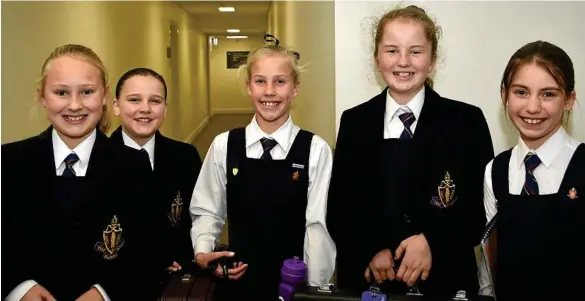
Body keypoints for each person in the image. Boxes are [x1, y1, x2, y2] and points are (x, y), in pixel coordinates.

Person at [327, 5, 494, 297]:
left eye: (415, 51)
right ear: (377, 59)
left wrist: (433, 241)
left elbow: (480, 210)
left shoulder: (466, 122)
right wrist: (371, 248)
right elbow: (340, 206)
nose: (403, 61)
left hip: (444, 281)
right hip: (372, 282)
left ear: (432, 60)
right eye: (392, 50)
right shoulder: (354, 122)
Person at [1, 44, 170, 301]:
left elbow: (149, 251)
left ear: (104, 96)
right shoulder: (10, 162)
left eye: (87, 92)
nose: (75, 105)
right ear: (42, 97)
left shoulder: (134, 165)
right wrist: (20, 288)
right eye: (61, 92)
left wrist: (104, 292)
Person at [190, 34, 336, 300]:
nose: (269, 91)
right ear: (249, 87)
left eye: (280, 82)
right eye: (260, 82)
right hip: (237, 280)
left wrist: (314, 288)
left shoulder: (316, 150)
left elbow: (317, 227)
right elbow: (208, 210)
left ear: (295, 88)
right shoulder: (224, 145)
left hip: (292, 284)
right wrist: (204, 252)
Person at [478, 40, 583, 300]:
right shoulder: (496, 171)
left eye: (548, 94)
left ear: (569, 99)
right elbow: (489, 270)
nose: (533, 107)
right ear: (504, 94)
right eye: (521, 92)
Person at [110, 67, 202, 275]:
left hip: (177, 276)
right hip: (119, 278)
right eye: (134, 100)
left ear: (165, 109)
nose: (145, 109)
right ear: (116, 106)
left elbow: (196, 216)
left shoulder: (185, 156)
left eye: (155, 101)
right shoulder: (96, 160)